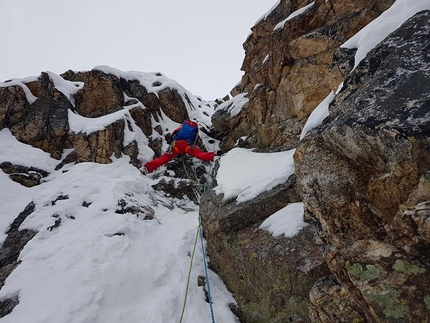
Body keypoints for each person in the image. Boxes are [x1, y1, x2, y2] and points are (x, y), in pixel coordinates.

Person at [142, 119, 222, 174]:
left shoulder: (181, 127)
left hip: (176, 145)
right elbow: (196, 140)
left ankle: (147, 168)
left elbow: (174, 134)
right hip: (187, 146)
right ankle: (214, 157)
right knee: (199, 154)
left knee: (164, 158)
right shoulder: (195, 130)